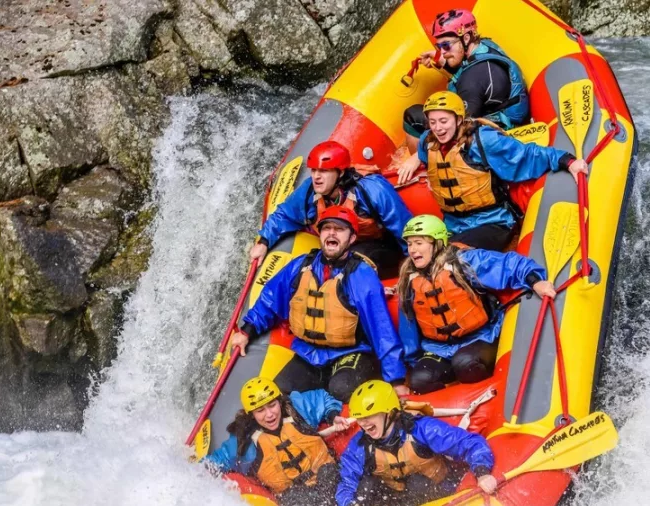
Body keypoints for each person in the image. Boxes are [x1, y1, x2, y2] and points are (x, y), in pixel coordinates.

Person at [231, 205, 409, 401]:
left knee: (341, 388)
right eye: (327, 228)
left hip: (351, 352)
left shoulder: (361, 275)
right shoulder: (300, 266)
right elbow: (270, 300)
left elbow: (382, 330)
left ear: (351, 239)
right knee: (280, 394)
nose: (332, 233)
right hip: (309, 353)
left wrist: (396, 381)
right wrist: (247, 331)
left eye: (339, 229)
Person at [398, 91, 589, 251]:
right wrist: (415, 160)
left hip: (493, 222)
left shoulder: (483, 141)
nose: (438, 128)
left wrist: (566, 160)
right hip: (452, 224)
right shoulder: (427, 141)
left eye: (443, 121)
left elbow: (526, 155)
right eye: (432, 122)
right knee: (425, 256)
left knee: (450, 258)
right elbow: (427, 159)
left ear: (458, 119)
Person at [397, 215, 556, 394]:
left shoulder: (464, 262)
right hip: (438, 348)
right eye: (409, 244)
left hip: (480, 337)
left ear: (437, 242)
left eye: (419, 243)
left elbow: (510, 265)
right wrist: (413, 361)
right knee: (420, 379)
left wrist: (535, 281)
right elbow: (408, 326)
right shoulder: (409, 279)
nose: (412, 250)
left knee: (466, 364)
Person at [250, 140, 413, 278]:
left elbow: (405, 229)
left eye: (324, 171)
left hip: (383, 247)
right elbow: (284, 215)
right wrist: (264, 241)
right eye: (314, 170)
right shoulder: (310, 191)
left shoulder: (372, 189)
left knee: (348, 263)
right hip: (343, 246)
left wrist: (414, 268)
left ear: (340, 172)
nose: (316, 176)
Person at [336, 380, 498, 506]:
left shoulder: (422, 429)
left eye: (369, 416)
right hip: (397, 499)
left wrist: (482, 472)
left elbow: (470, 444)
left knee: (416, 484)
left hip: (437, 493)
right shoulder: (360, 445)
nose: (363, 423)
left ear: (390, 412)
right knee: (366, 487)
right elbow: (346, 483)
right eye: (360, 418)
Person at [205, 377, 349, 506]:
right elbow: (216, 461)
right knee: (301, 500)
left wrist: (333, 415)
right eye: (260, 410)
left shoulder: (297, 407)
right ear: (251, 414)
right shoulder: (244, 441)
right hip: (294, 496)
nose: (269, 414)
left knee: (332, 476)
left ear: (279, 402)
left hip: (327, 474)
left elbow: (322, 398)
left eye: (272, 405)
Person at [402, 9, 530, 152]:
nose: (442, 52)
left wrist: (418, 157)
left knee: (412, 115)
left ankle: (424, 167)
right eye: (439, 46)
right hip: (503, 114)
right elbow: (467, 67)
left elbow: (458, 131)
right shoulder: (485, 47)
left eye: (446, 45)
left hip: (495, 134)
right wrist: (440, 60)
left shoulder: (471, 81)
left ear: (466, 38)